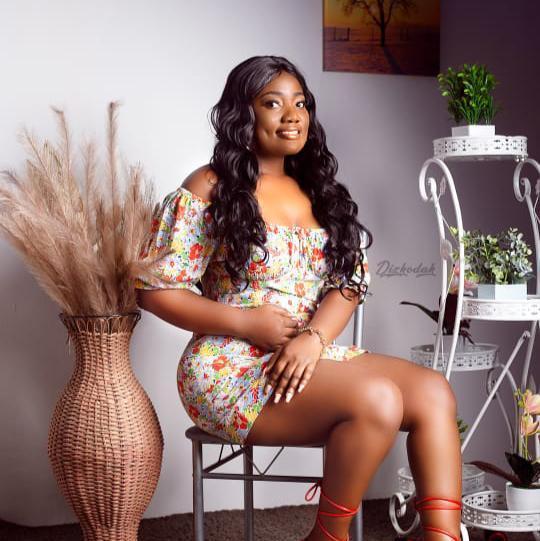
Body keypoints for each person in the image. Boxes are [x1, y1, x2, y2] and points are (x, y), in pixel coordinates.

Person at [135, 56, 463, 541]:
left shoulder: (319, 190)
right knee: (378, 399)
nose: (293, 116)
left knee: (433, 392)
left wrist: (313, 338)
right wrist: (247, 323)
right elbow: (153, 289)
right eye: (273, 103)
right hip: (231, 368)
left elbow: (349, 283)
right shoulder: (211, 186)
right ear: (243, 113)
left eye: (301, 103)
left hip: (309, 356)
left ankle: (444, 537)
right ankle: (326, 538)